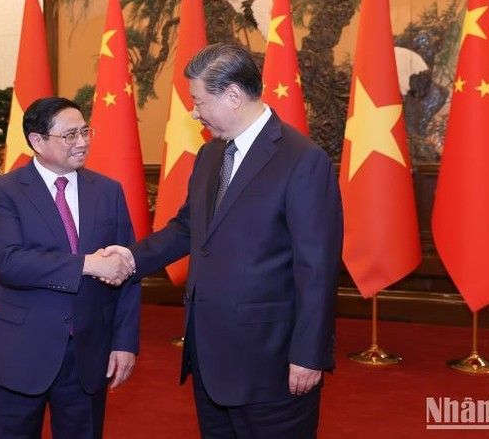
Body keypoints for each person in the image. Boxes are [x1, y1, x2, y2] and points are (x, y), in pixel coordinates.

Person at [105, 43, 343, 438]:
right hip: (209, 357)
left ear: (232, 95)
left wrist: (309, 354)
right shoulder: (210, 155)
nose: (194, 112)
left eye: (199, 101)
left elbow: (317, 268)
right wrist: (130, 258)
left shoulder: (302, 160)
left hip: (271, 362)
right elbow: (189, 227)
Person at [0, 97, 140, 439]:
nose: (82, 142)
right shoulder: (2, 191)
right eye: (69, 135)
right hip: (21, 351)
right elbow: (10, 262)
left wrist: (125, 342)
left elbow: (127, 271)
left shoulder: (108, 191)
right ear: (37, 140)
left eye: (85, 132)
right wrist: (88, 264)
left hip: (89, 353)